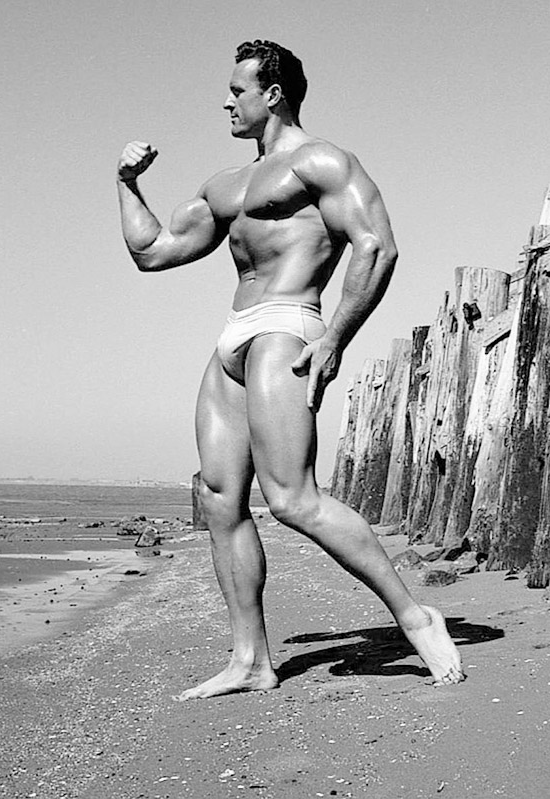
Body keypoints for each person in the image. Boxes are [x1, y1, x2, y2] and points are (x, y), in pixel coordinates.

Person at [116, 39, 464, 699]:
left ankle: (417, 616)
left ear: (273, 93)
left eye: (238, 90)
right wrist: (127, 184)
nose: (226, 101)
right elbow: (154, 251)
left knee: (292, 499)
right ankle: (251, 658)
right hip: (234, 338)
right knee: (221, 500)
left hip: (288, 325)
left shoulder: (323, 161)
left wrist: (335, 336)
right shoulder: (225, 184)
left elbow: (377, 245)